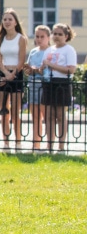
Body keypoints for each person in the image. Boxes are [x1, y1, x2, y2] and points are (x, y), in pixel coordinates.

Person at [0, 9, 28, 152]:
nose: (7, 22)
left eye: (10, 19)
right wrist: (5, 73)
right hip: (3, 73)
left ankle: (18, 141)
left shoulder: (21, 38)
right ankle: (5, 141)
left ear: (15, 22)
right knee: (3, 109)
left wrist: (12, 74)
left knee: (15, 111)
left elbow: (21, 60)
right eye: (5, 19)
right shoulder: (0, 38)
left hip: (16, 74)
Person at [41, 23, 77, 154]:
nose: (56, 36)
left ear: (66, 36)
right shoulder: (49, 50)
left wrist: (52, 65)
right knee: (49, 115)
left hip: (62, 83)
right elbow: (43, 67)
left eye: (60, 34)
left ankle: (61, 145)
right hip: (49, 82)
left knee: (60, 115)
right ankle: (49, 144)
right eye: (54, 34)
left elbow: (71, 69)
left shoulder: (69, 50)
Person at [24, 25, 50, 152]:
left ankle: (48, 143)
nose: (39, 39)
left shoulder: (50, 51)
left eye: (42, 37)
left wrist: (36, 70)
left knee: (46, 115)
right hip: (33, 84)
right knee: (35, 115)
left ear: (48, 38)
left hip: (44, 85)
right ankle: (36, 142)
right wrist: (31, 70)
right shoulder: (34, 51)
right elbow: (29, 69)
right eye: (37, 36)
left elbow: (45, 70)